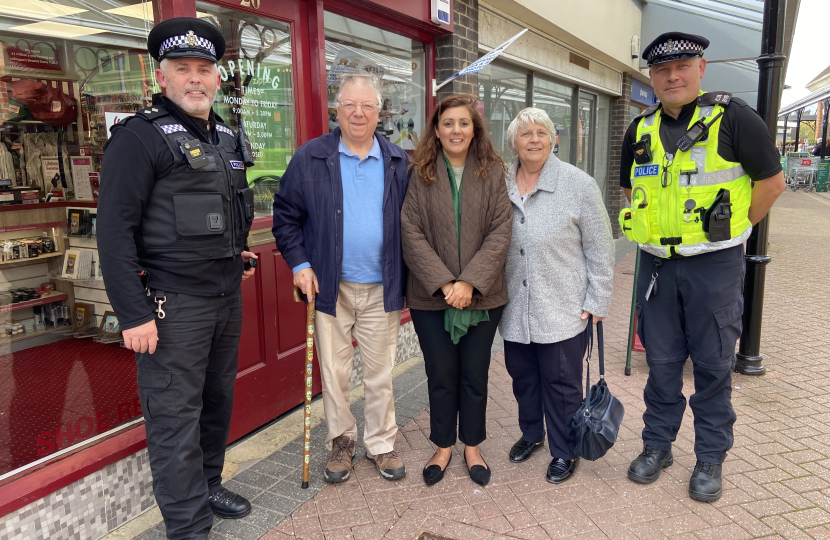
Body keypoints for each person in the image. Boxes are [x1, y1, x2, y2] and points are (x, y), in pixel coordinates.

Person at [97, 18, 259, 540]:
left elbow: (222, 209)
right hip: (171, 305)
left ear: (217, 77)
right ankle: (188, 527)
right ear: (161, 77)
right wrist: (134, 313)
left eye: (204, 69)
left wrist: (238, 252)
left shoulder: (227, 136)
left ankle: (208, 485)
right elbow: (114, 233)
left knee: (216, 402)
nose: (195, 78)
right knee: (174, 418)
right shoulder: (139, 138)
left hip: (223, 296)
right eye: (182, 69)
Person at [619, 32, 786, 502]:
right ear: (651, 77)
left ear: (701, 69)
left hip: (714, 267)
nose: (672, 77)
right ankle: (657, 446)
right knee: (662, 363)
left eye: (682, 68)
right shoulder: (640, 129)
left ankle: (710, 456)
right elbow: (632, 190)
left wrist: (732, 228)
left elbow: (772, 183)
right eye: (661, 71)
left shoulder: (735, 118)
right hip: (657, 266)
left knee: (713, 366)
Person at [273, 74, 409, 483]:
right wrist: (300, 265)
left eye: (367, 105)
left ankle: (381, 443)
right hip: (329, 286)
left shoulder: (398, 161)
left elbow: (415, 224)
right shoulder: (311, 156)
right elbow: (285, 216)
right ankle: (343, 441)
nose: (358, 113)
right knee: (333, 372)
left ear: (379, 112)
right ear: (337, 108)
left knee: (380, 372)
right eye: (350, 104)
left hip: (381, 285)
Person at [401, 94, 512, 487]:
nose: (456, 130)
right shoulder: (421, 171)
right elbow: (409, 230)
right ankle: (443, 445)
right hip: (431, 297)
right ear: (436, 129)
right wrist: (447, 283)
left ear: (475, 128)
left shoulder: (493, 171)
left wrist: (469, 282)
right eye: (448, 123)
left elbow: (501, 230)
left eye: (463, 123)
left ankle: (473, 446)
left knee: (474, 375)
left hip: (483, 296)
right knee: (441, 373)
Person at [499, 108, 614, 484]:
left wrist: (597, 299)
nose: (534, 139)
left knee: (562, 384)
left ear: (553, 139)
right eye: (525, 133)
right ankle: (532, 434)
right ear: (514, 142)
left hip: (563, 308)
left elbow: (600, 247)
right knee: (523, 378)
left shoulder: (578, 185)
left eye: (541, 132)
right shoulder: (502, 184)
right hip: (515, 307)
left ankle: (565, 450)